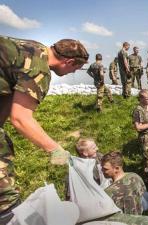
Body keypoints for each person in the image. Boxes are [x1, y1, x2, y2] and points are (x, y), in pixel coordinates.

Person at [0, 35, 88, 221]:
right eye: (75, 69)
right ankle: (7, 215)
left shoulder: (31, 48)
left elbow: (8, 96)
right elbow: (21, 119)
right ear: (69, 61)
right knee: (4, 188)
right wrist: (57, 152)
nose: (73, 73)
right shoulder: (39, 68)